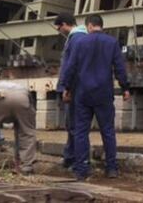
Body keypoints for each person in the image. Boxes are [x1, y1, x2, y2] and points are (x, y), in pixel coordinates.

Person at [57, 13, 129, 181]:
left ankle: (82, 169)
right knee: (108, 131)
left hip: (83, 93)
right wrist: (125, 87)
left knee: (81, 131)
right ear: (100, 26)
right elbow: (119, 67)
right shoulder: (112, 42)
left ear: (89, 26)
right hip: (104, 93)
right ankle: (111, 168)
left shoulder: (80, 42)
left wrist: (66, 87)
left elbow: (71, 67)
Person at [53, 13, 86, 169]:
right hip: (78, 88)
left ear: (65, 24)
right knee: (73, 125)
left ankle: (75, 159)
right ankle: (71, 156)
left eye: (59, 27)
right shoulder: (78, 37)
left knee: (73, 125)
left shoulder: (76, 38)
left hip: (74, 89)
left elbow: (71, 66)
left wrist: (67, 88)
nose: (59, 30)